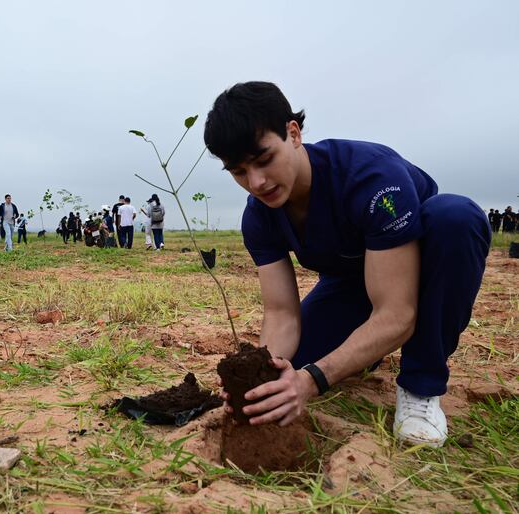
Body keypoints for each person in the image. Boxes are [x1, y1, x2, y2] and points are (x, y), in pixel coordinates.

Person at [205, 81, 490, 448]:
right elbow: (281, 315)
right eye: (239, 172)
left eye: (263, 160)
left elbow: (397, 313)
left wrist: (311, 381)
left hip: (422, 268)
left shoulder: (372, 180)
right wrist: (264, 377)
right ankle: (364, 352)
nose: (256, 182)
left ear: (293, 133)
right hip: (352, 283)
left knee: (456, 217)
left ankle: (421, 385)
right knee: (298, 364)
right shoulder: (260, 217)